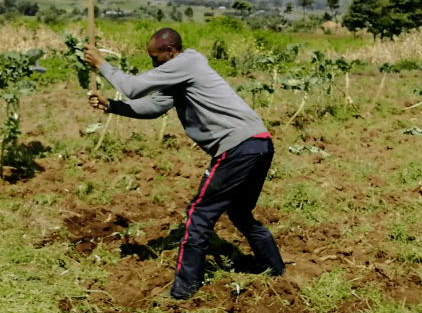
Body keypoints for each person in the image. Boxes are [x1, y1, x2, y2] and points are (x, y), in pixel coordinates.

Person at [84, 28, 285, 300]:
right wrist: (112, 106)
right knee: (239, 212)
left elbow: (133, 88)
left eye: (156, 58)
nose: (153, 64)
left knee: (198, 215)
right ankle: (274, 269)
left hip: (237, 147)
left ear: (170, 52)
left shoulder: (185, 63)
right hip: (259, 143)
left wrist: (101, 64)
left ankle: (184, 290)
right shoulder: (183, 72)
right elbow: (153, 107)